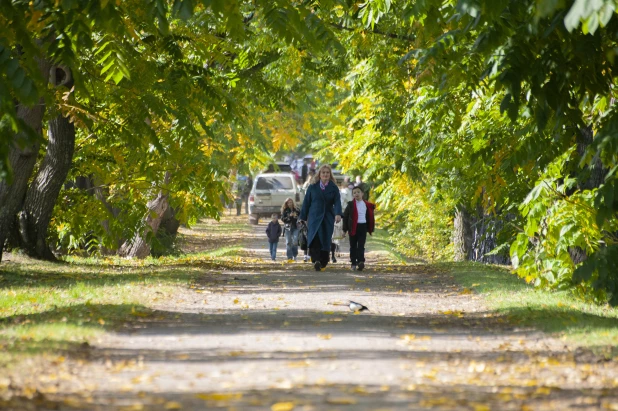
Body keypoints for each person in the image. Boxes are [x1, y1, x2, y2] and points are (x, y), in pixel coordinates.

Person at [299, 164, 343, 271]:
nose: (325, 174)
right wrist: (302, 217)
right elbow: (306, 203)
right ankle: (316, 260)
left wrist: (338, 213)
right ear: (319, 174)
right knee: (315, 237)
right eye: (323, 172)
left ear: (330, 174)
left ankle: (323, 260)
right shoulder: (312, 187)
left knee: (326, 238)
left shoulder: (333, 188)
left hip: (327, 216)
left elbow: (337, 202)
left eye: (327, 172)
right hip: (314, 216)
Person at [342, 185, 376, 271]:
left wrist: (370, 228)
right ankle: (353, 263)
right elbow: (345, 217)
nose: (356, 194)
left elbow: (370, 217)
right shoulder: (350, 205)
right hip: (352, 227)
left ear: (362, 194)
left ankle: (361, 261)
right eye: (354, 193)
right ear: (352, 195)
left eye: (358, 192)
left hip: (362, 226)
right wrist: (344, 230)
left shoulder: (366, 204)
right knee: (353, 246)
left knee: (361, 245)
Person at [281, 197, 300, 262]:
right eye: (288, 202)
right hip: (288, 227)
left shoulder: (297, 210)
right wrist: (289, 216)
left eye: (291, 202)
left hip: (295, 227)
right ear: (286, 203)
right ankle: (289, 257)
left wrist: (296, 217)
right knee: (288, 242)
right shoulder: (285, 210)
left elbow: (300, 217)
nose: (290, 203)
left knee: (295, 241)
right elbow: (283, 219)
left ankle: (295, 255)